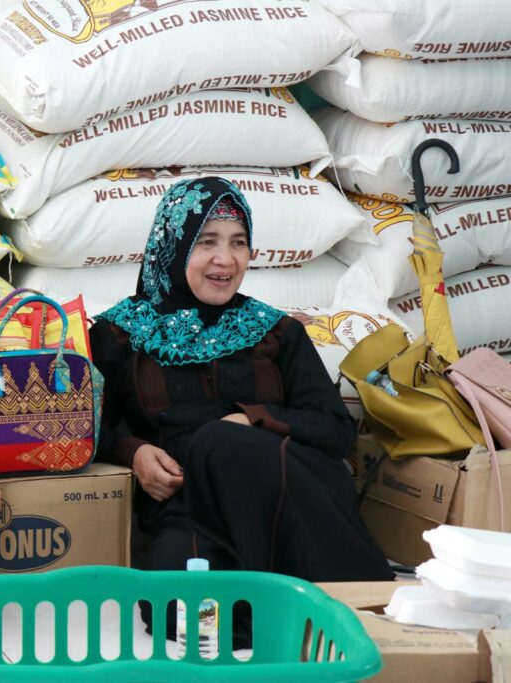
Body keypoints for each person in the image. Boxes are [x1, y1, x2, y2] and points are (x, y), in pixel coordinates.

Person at [90, 177, 393, 630]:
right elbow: (93, 428)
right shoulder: (119, 334)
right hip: (187, 503)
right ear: (172, 246)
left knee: (221, 440)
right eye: (206, 242)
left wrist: (251, 422)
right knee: (176, 613)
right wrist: (134, 454)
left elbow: (334, 428)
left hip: (285, 496)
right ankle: (298, 605)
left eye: (239, 243)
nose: (225, 259)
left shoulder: (277, 333)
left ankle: (351, 597)